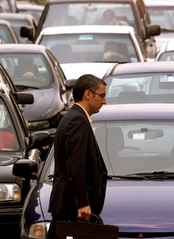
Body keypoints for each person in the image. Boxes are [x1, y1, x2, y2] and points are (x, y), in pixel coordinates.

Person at [47, 74, 108, 239]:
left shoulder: (75, 118)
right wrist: (82, 203)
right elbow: (75, 166)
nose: (105, 101)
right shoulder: (77, 121)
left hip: (70, 207)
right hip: (71, 208)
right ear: (88, 94)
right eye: (101, 95)